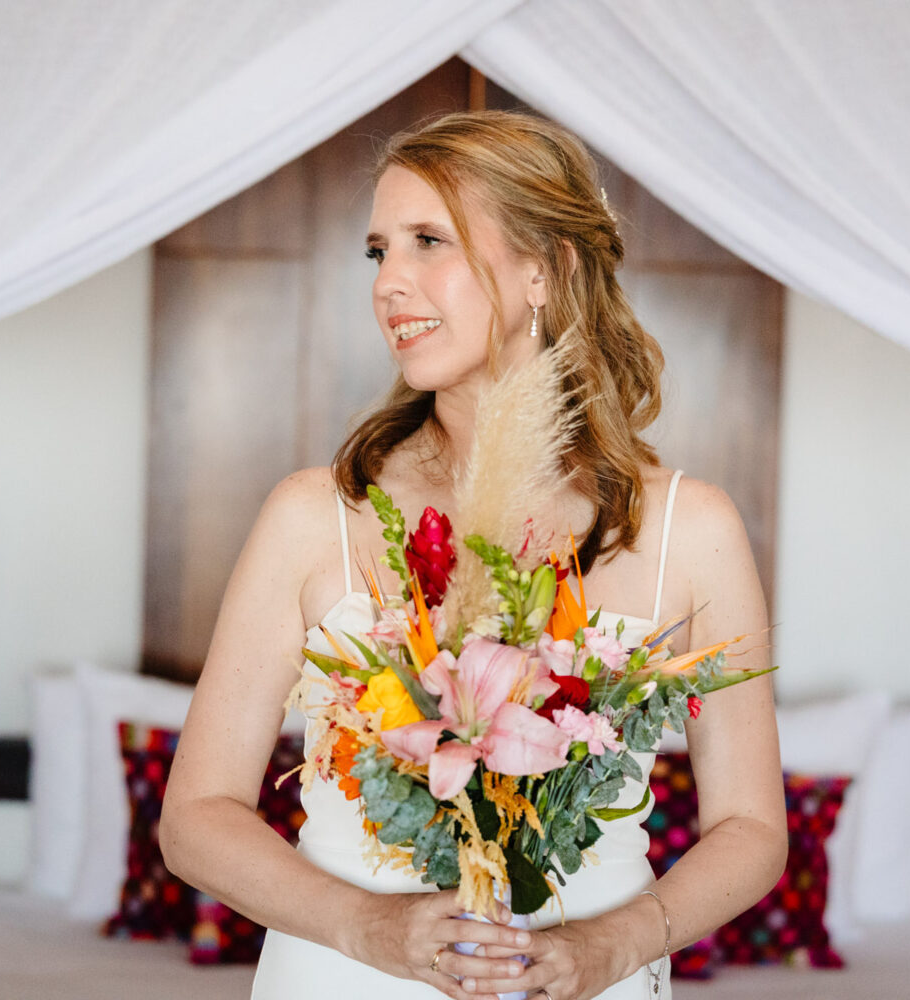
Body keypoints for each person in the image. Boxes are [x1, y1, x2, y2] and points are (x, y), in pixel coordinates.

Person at [161, 111, 785, 1000]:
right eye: (378, 252)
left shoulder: (692, 527)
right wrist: (366, 927)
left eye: (428, 241)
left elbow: (753, 826)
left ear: (546, 269)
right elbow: (194, 818)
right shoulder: (315, 516)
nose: (390, 284)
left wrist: (615, 945)